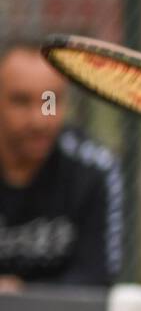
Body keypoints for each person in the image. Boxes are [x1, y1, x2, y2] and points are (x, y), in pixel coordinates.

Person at [0, 39, 122, 290]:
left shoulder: (94, 170)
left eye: (50, 101)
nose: (39, 120)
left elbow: (97, 281)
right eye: (21, 101)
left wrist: (21, 294)